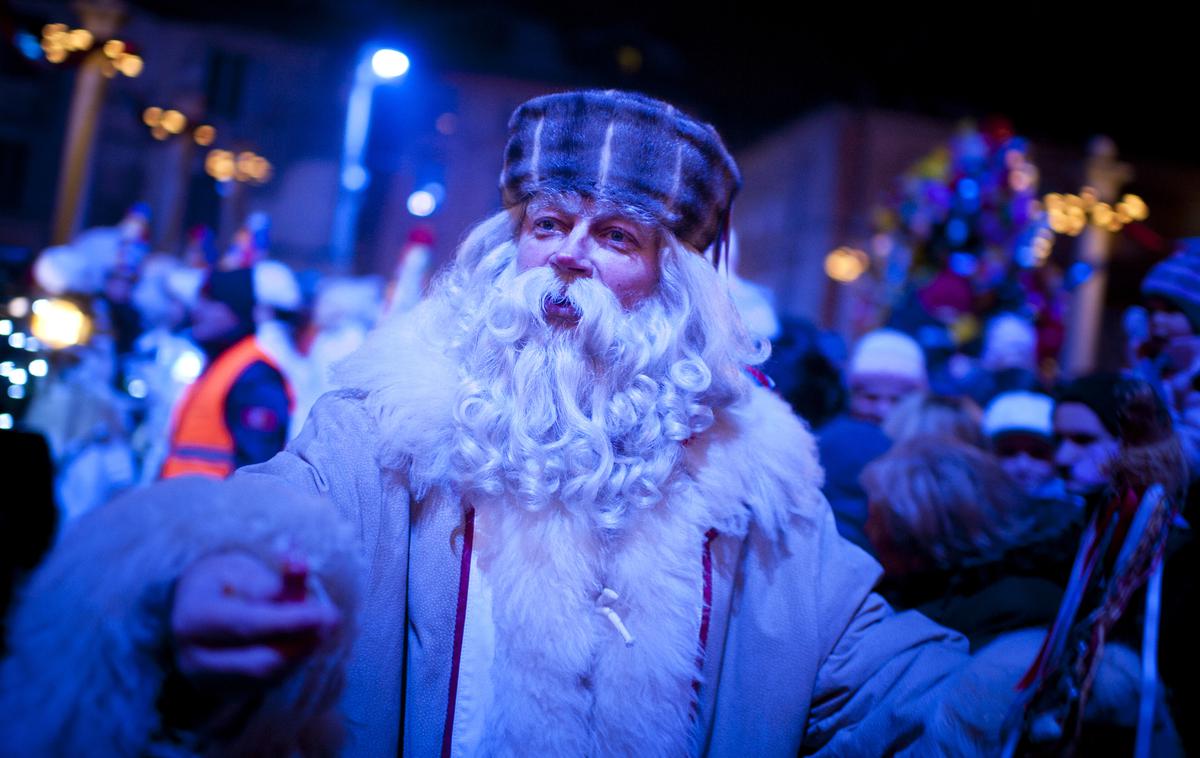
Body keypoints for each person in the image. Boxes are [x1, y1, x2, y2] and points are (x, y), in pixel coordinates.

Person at [5, 90, 1023, 756]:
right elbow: (274, 515)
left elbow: (887, 688)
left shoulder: (760, 497)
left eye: (615, 233)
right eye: (549, 222)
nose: (569, 256)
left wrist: (1020, 688)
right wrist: (187, 576)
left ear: (678, 286)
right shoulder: (382, 427)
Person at [158, 264, 294, 479]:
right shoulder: (219, 362)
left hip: (215, 508)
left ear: (235, 311)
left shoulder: (255, 376)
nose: (198, 310)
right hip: (185, 505)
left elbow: (257, 468)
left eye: (211, 301)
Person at [817, 328, 926, 552]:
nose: (882, 410)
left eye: (897, 399)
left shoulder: (925, 453)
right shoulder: (829, 444)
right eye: (871, 397)